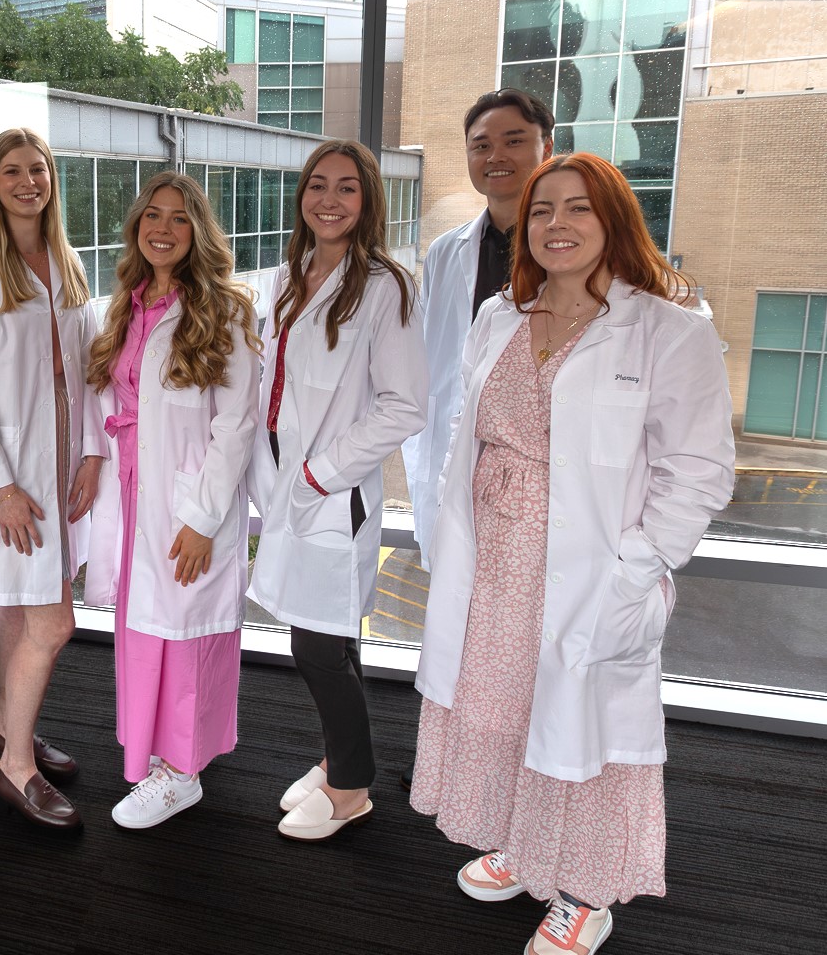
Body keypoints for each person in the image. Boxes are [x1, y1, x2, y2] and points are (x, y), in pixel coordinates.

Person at [412, 153, 735, 955]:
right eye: (543, 209)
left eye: (579, 208)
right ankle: (527, 847)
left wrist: (639, 566)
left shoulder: (667, 325)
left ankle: (585, 891)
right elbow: (466, 431)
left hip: (593, 569)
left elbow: (698, 470)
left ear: (615, 220)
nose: (558, 224)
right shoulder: (501, 315)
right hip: (493, 563)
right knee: (508, 712)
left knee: (583, 726)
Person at [247, 139, 428, 841]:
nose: (329, 198)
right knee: (328, 636)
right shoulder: (291, 274)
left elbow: (404, 404)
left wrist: (322, 472)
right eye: (318, 184)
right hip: (287, 482)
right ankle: (337, 761)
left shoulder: (385, 285)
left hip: (331, 490)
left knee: (319, 646)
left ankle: (351, 787)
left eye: (346, 188)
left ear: (368, 199)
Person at [0, 127, 105, 830]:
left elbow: (90, 365)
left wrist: (94, 450)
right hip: (11, 477)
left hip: (62, 461)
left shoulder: (64, 260)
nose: (28, 181)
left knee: (15, 610)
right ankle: (15, 771)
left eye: (38, 169)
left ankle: (9, 728)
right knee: (53, 620)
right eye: (13, 170)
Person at [85, 172, 260, 829]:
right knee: (144, 632)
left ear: (199, 233)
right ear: (136, 227)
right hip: (133, 496)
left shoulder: (227, 311)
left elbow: (236, 424)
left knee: (187, 633)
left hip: (187, 501)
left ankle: (181, 772)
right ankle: (156, 751)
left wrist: (204, 518)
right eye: (152, 215)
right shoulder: (126, 305)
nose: (163, 227)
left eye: (180, 218)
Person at [399, 88, 555, 792]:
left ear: (546, 147)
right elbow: (437, 373)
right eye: (481, 144)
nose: (496, 156)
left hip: (543, 486)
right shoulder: (448, 253)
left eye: (513, 139)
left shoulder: (574, 246)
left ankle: (535, 803)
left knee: (536, 653)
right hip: (463, 476)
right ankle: (481, 790)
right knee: (473, 645)